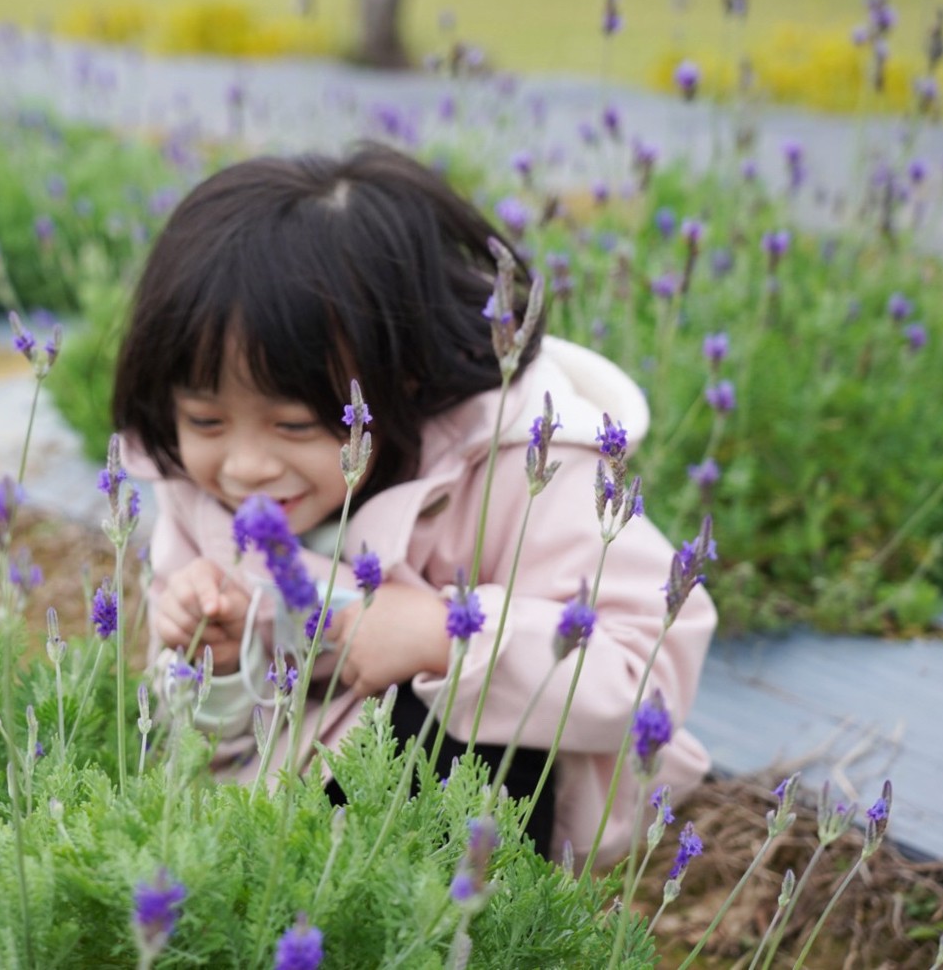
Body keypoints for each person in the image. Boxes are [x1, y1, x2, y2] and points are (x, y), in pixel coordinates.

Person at [112, 144, 715, 862]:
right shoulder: (196, 489)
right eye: (206, 421)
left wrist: (446, 636)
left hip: (497, 806)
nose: (243, 467)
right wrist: (216, 664)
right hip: (291, 803)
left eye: (295, 425)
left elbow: (643, 679)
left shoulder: (527, 469)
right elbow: (194, 748)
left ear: (405, 376)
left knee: (429, 727)